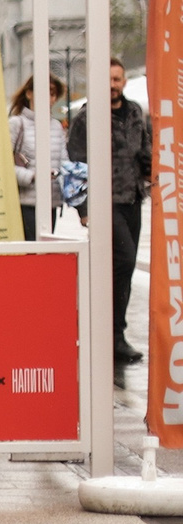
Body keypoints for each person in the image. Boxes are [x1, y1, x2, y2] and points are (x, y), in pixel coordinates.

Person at [70, 59, 153, 365]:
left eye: (117, 79)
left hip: (132, 199)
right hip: (105, 202)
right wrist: (83, 208)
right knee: (126, 260)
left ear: (124, 82)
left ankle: (113, 334)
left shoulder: (134, 112)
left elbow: (145, 151)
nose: (112, 85)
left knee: (123, 269)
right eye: (108, 79)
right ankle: (111, 334)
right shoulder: (87, 117)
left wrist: (156, 176)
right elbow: (75, 163)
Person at [7, 77, 68, 243]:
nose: (48, 97)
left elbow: (63, 160)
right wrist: (33, 176)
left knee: (45, 249)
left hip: (51, 202)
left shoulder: (56, 126)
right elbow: (3, 165)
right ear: (29, 94)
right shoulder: (16, 123)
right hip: (25, 202)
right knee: (32, 248)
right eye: (43, 91)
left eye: (52, 93)